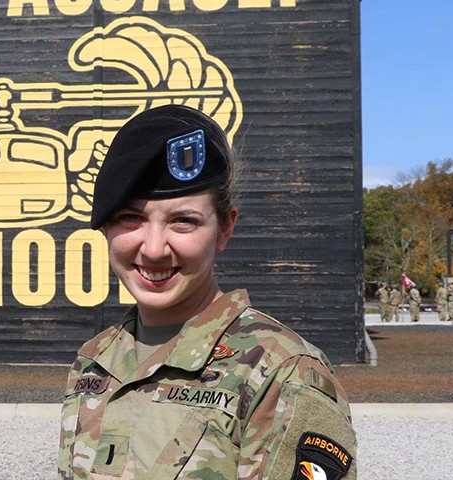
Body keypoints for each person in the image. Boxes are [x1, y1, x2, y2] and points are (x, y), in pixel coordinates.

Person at [58, 105, 357, 479]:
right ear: (105, 228)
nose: (153, 248)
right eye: (130, 218)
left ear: (225, 228)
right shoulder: (95, 360)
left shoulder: (280, 373)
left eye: (183, 221)